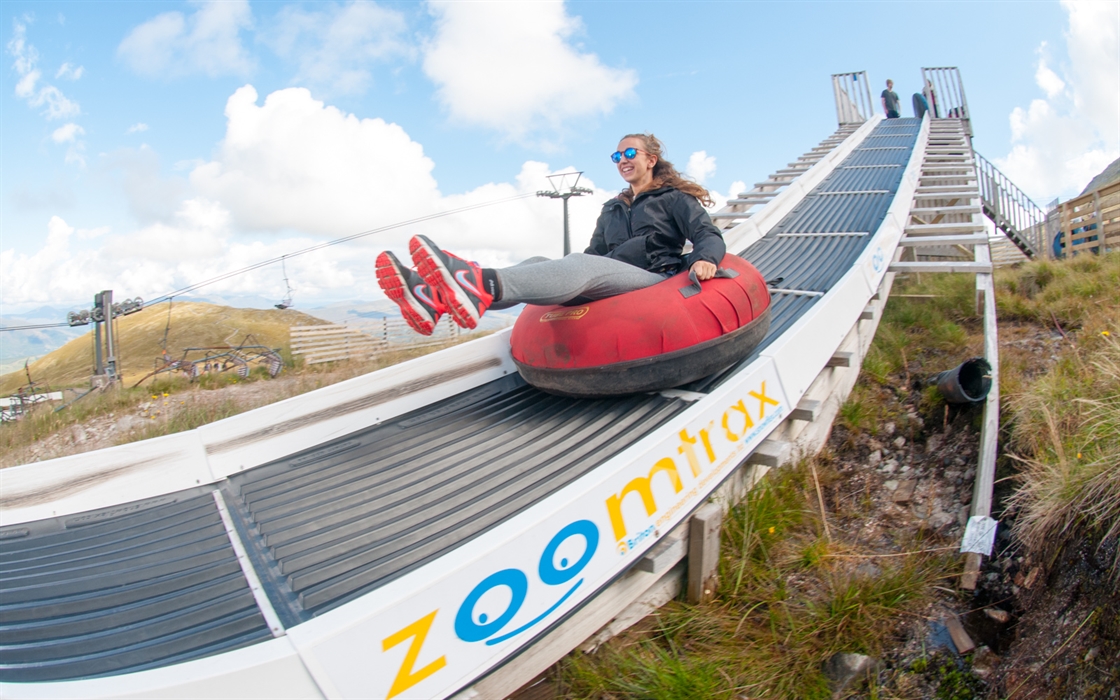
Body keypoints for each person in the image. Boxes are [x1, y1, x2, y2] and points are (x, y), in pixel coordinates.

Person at [376, 134, 726, 335]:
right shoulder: (612, 208)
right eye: (617, 155)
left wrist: (705, 260)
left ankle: (473, 281)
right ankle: (432, 298)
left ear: (651, 160)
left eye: (630, 152)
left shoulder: (675, 200)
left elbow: (706, 234)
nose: (622, 159)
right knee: (537, 263)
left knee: (580, 264)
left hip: (655, 279)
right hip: (614, 279)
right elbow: (595, 252)